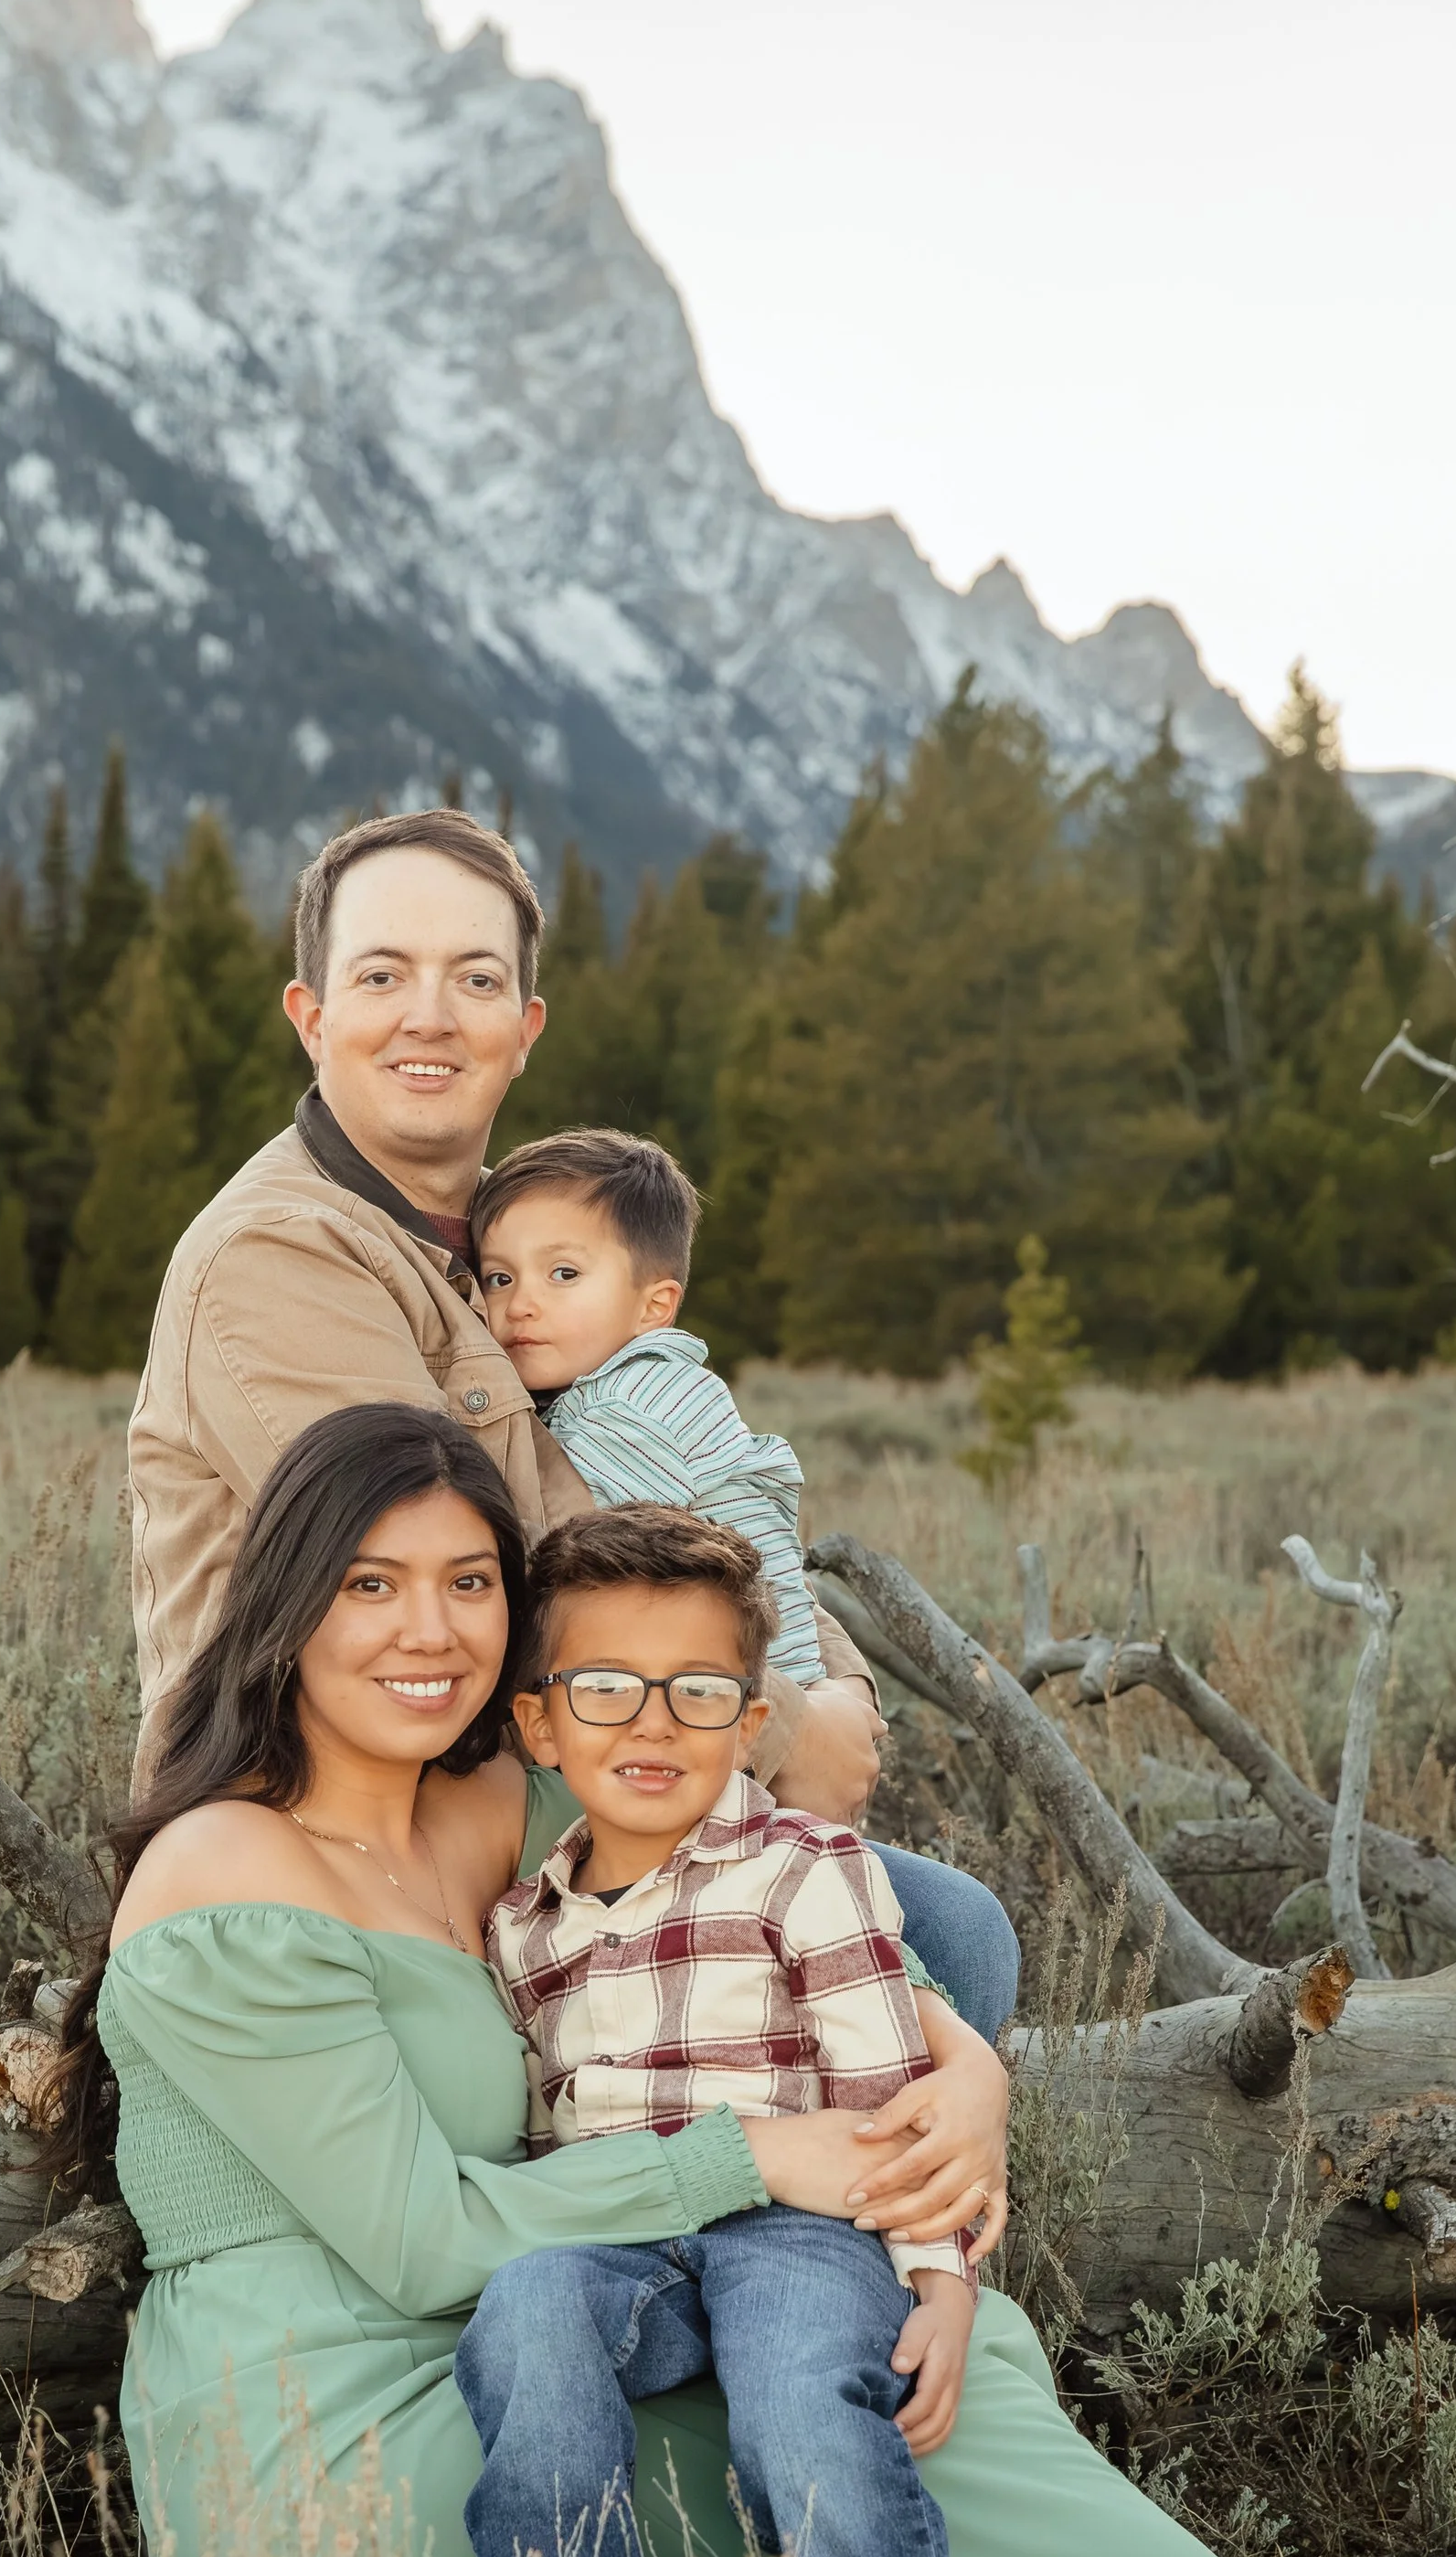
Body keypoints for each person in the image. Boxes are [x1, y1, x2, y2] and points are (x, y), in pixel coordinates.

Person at [48, 1400, 1456, 2557]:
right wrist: (759, 2155)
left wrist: (963, 2070)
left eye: (470, 1584)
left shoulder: (487, 1796)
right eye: (370, 1586)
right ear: (281, 1608)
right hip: (342, 2408)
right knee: (876, 2425)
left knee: (935, 2387)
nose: (430, 1632)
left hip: (550, 2299)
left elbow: (775, 1908)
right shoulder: (224, 1876)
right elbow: (418, 2237)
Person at [123, 803, 1017, 2041]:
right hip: (339, 1838)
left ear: (524, 1029)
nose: (430, 1015)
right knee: (938, 1942)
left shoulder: (516, 1247)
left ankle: (819, 2215)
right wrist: (773, 1718)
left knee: (938, 1937)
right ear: (311, 1014)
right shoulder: (283, 1256)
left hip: (541, 1780)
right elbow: (473, 1571)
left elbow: (709, 1478)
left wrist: (824, 1689)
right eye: (383, 974)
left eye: (474, 979)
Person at [457, 1502, 1061, 2557]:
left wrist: (945, 2285)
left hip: (800, 2223)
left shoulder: (810, 1873)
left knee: (807, 2427)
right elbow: (544, 2144)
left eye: (699, 1693)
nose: (650, 1725)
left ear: (751, 1714)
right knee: (528, 2325)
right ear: (539, 1721)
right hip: (625, 2238)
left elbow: (889, 2095)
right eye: (603, 1688)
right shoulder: (519, 1928)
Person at [469, 1126, 822, 1684]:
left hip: (737, 1696)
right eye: (499, 1278)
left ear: (654, 1306)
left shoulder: (632, 1407)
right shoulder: (640, 1384)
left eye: (564, 1274)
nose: (520, 1304)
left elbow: (554, 1555)